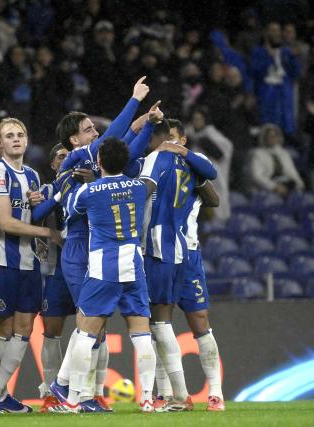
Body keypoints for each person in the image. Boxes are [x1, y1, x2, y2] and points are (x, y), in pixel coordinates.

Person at [52, 137, 157, 413]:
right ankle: (147, 399)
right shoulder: (137, 187)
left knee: (85, 334)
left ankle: (73, 400)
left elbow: (69, 205)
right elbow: (150, 182)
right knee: (142, 334)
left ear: (98, 162)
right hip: (134, 266)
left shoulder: (90, 191)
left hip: (103, 268)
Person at [0, 117, 62, 413]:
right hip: (0, 259)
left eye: (20, 134)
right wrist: (48, 233)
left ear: (26, 140)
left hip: (28, 262)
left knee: (25, 327)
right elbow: (3, 222)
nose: (16, 139)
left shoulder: (31, 175)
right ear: (0, 144)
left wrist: (38, 212)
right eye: (9, 136)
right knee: (4, 328)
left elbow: (31, 216)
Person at [139, 121, 217, 412]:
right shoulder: (172, 163)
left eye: (170, 138)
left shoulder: (165, 159)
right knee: (160, 322)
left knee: (160, 322)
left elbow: (144, 190)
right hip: (174, 248)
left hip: (163, 248)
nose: (163, 142)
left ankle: (184, 396)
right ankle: (169, 393)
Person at [150, 165, 225, 412]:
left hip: (189, 253)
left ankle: (215, 392)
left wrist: (193, 167)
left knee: (200, 320)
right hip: (158, 251)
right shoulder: (151, 164)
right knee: (160, 324)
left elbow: (214, 201)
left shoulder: (194, 164)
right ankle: (164, 392)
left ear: (182, 141)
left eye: (174, 139)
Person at [31, 143, 76, 413]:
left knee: (95, 328)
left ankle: (90, 391)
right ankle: (50, 390)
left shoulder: (88, 185)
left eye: (70, 156)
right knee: (51, 329)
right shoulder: (47, 191)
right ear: (52, 165)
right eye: (61, 156)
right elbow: (35, 216)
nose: (66, 160)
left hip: (85, 266)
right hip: (57, 269)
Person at [250, 21, 300, 135]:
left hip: (284, 92)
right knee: (269, 124)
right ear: (266, 32)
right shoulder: (258, 51)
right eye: (272, 30)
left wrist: (293, 58)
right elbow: (254, 72)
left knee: (286, 124)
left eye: (277, 30)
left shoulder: (287, 51)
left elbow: (296, 73)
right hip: (267, 91)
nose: (275, 33)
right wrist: (269, 56)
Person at [184, 112, 233, 220]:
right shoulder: (186, 135)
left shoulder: (212, 134)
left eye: (199, 119)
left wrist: (206, 143)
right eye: (194, 119)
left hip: (211, 175)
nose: (197, 122)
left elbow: (223, 153)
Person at [248, 123, 304, 196]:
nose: (273, 138)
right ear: (264, 138)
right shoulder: (257, 154)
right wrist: (274, 187)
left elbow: (292, 171)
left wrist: (299, 184)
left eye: (275, 136)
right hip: (267, 189)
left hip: (285, 185)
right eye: (270, 136)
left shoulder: (284, 153)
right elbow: (257, 176)